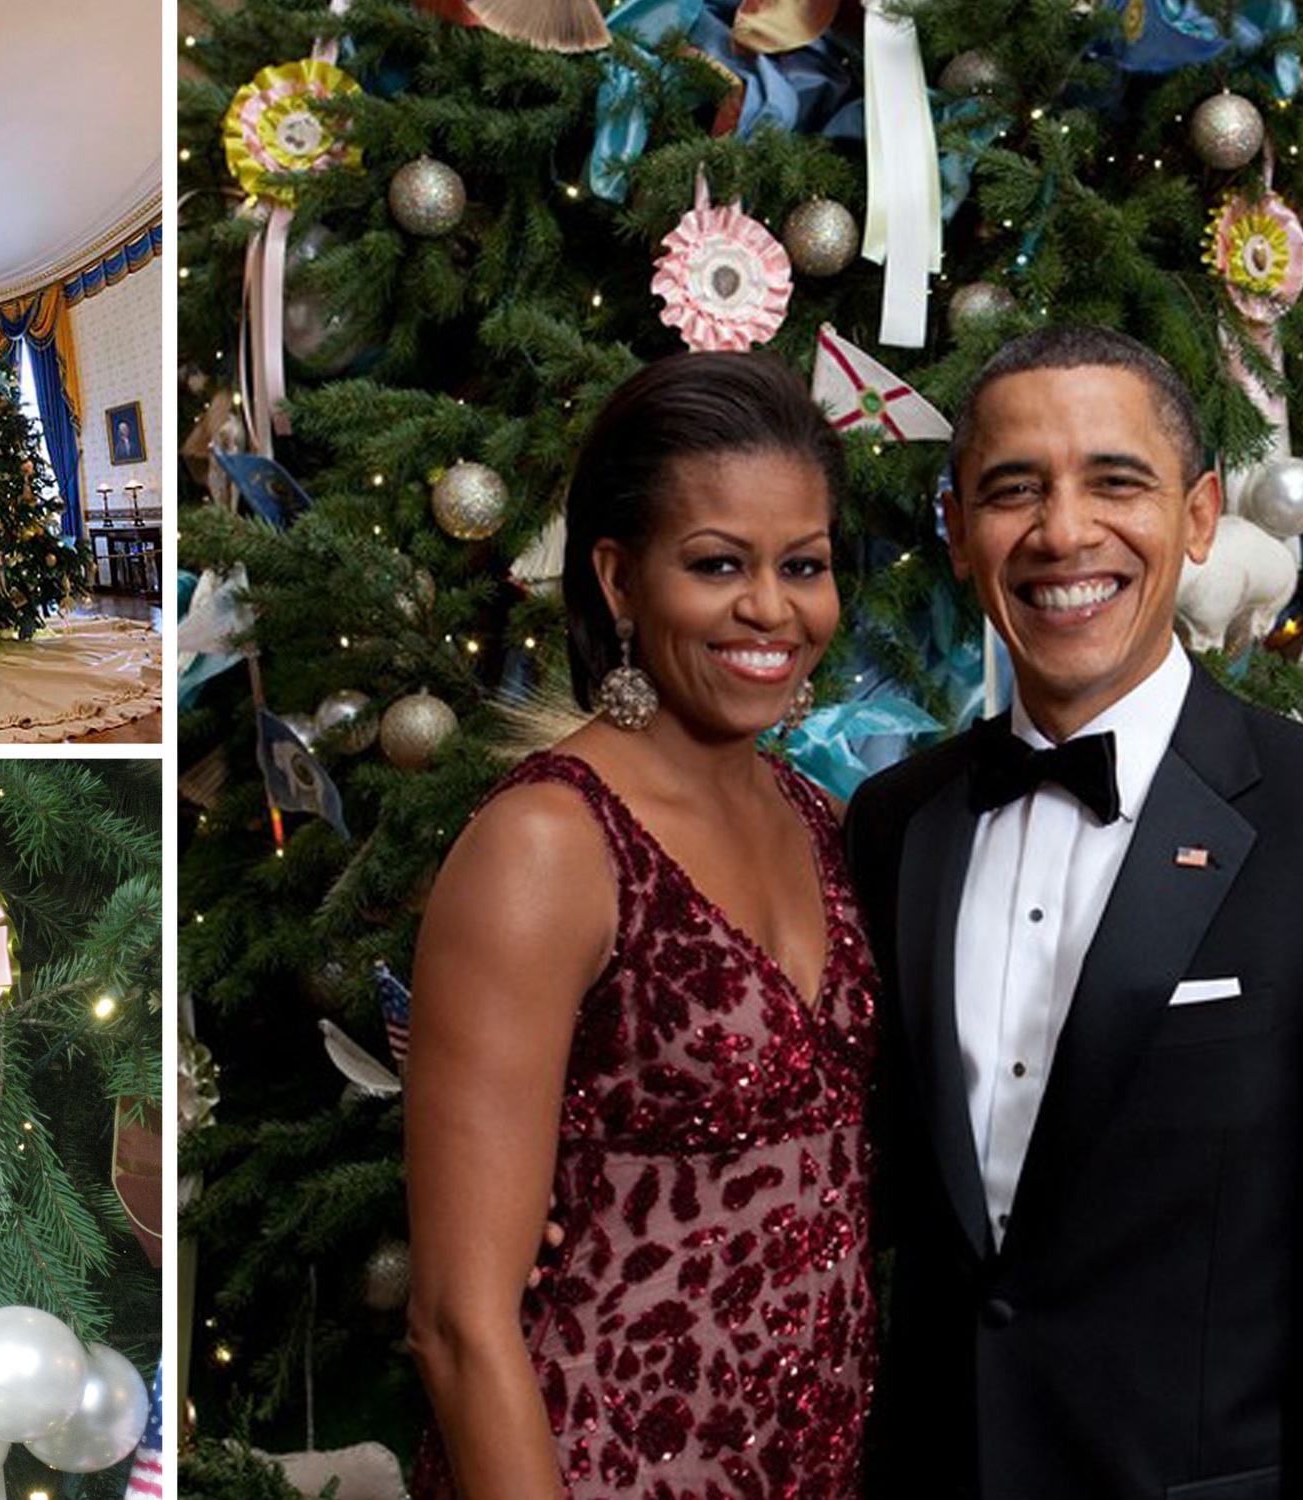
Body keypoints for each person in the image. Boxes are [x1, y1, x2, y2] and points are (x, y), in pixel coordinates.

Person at [844, 325, 1303, 1500]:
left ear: (1198, 517)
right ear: (955, 533)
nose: (1062, 532)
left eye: (1114, 481)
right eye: (1010, 490)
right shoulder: (895, 825)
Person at [406, 351, 878, 1499]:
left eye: (801, 566)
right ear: (618, 581)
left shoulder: (822, 820)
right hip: (599, 1463)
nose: (770, 609)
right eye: (717, 564)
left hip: (812, 1465)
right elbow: (458, 1323)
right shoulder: (551, 844)